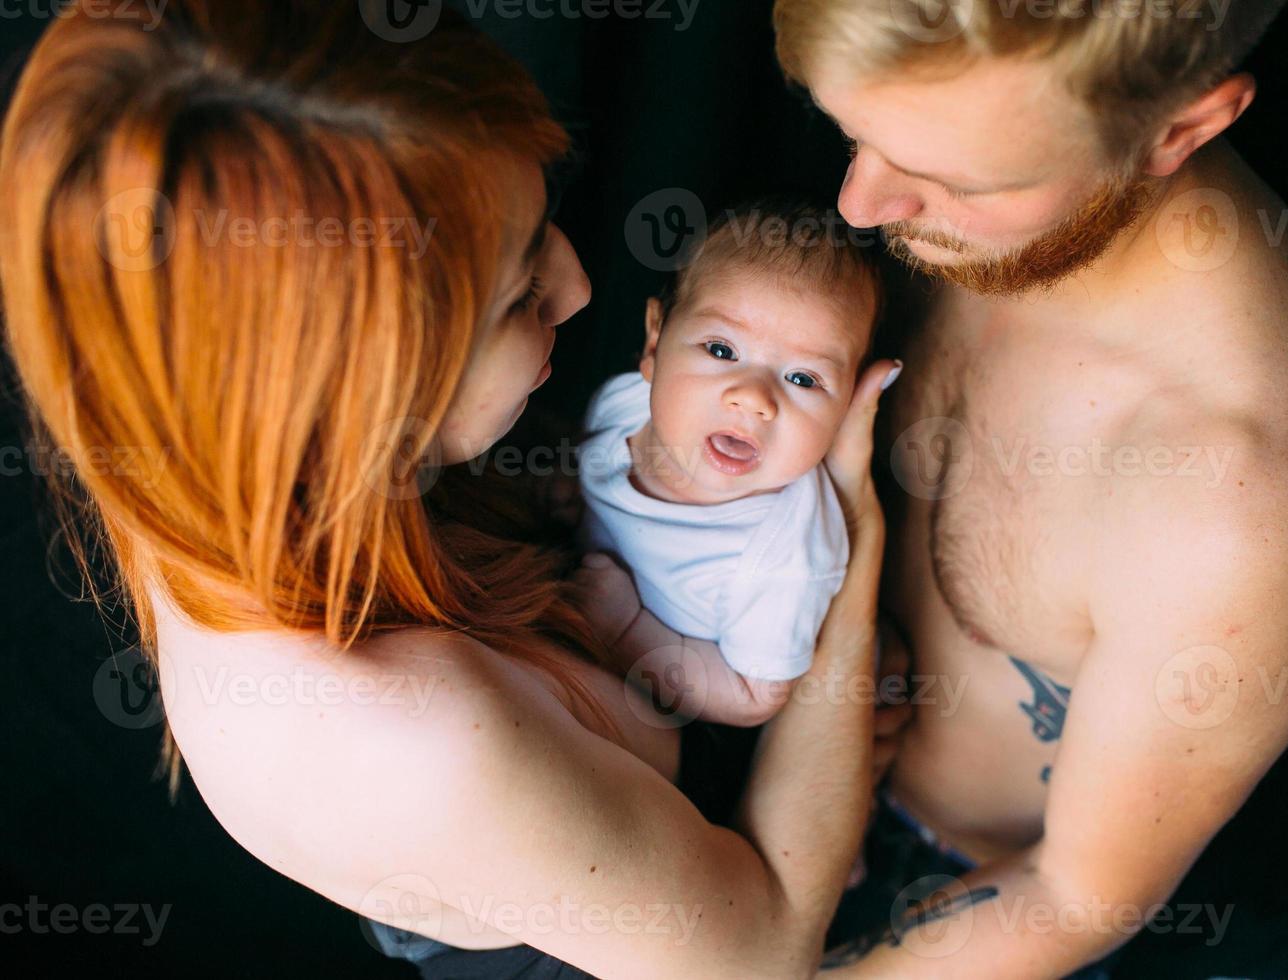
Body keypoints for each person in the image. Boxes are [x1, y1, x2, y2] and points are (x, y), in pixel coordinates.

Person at [0, 2, 900, 977]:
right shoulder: (406, 735)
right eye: (520, 292)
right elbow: (763, 952)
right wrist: (843, 531)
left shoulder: (210, 430)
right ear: (352, 393)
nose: (578, 286)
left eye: (544, 217)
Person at [770, 0, 1288, 976]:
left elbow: (1073, 894)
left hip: (972, 891)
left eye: (957, 179)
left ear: (1179, 130)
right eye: (851, 132)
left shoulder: (1236, 487)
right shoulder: (958, 190)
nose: (860, 201)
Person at [574, 200, 890, 727]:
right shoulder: (623, 404)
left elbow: (754, 697)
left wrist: (625, 629)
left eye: (804, 379)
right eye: (721, 350)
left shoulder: (784, 550)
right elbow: (590, 468)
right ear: (655, 341)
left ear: (847, 409)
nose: (754, 398)